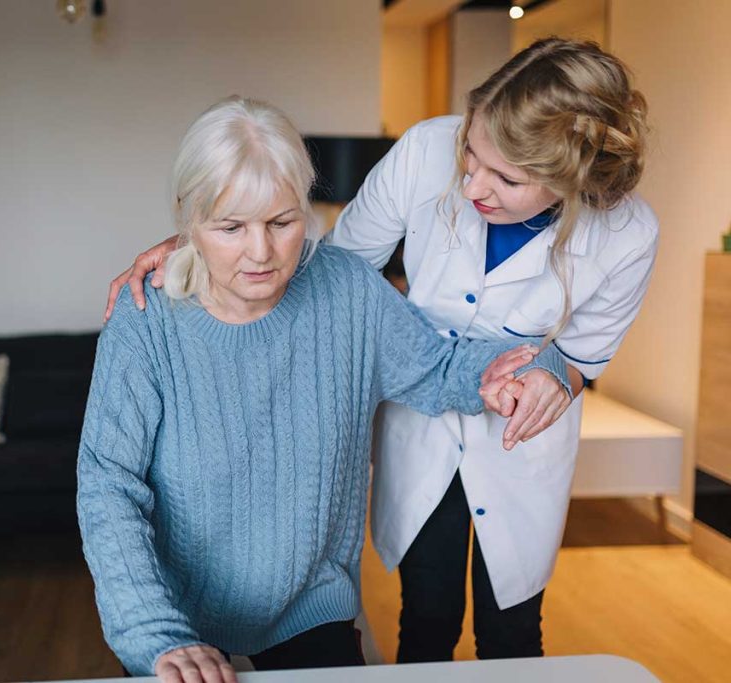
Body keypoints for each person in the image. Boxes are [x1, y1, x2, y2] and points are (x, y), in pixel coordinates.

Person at [103, 39, 657, 662]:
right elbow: (332, 267)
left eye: (506, 178)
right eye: (470, 153)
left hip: (513, 435)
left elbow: (576, 353)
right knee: (426, 615)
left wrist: (545, 374)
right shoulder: (423, 153)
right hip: (417, 429)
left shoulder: (629, 235)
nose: (471, 184)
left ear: (571, 176)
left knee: (513, 631)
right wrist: (202, 243)